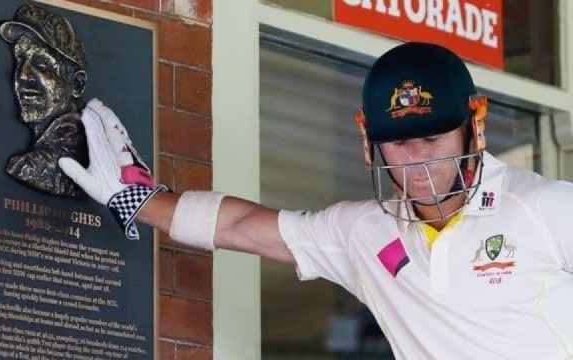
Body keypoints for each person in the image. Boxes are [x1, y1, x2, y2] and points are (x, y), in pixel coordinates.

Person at [58, 42, 573, 359]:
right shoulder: (365, 232)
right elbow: (243, 226)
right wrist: (134, 196)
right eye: (397, 142)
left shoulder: (543, 208)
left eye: (434, 139)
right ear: (368, 138)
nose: (415, 160)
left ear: (473, 127)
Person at [0, 4, 89, 197]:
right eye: (19, 60)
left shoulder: (32, 168)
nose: (22, 76)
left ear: (77, 84)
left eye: (41, 64)